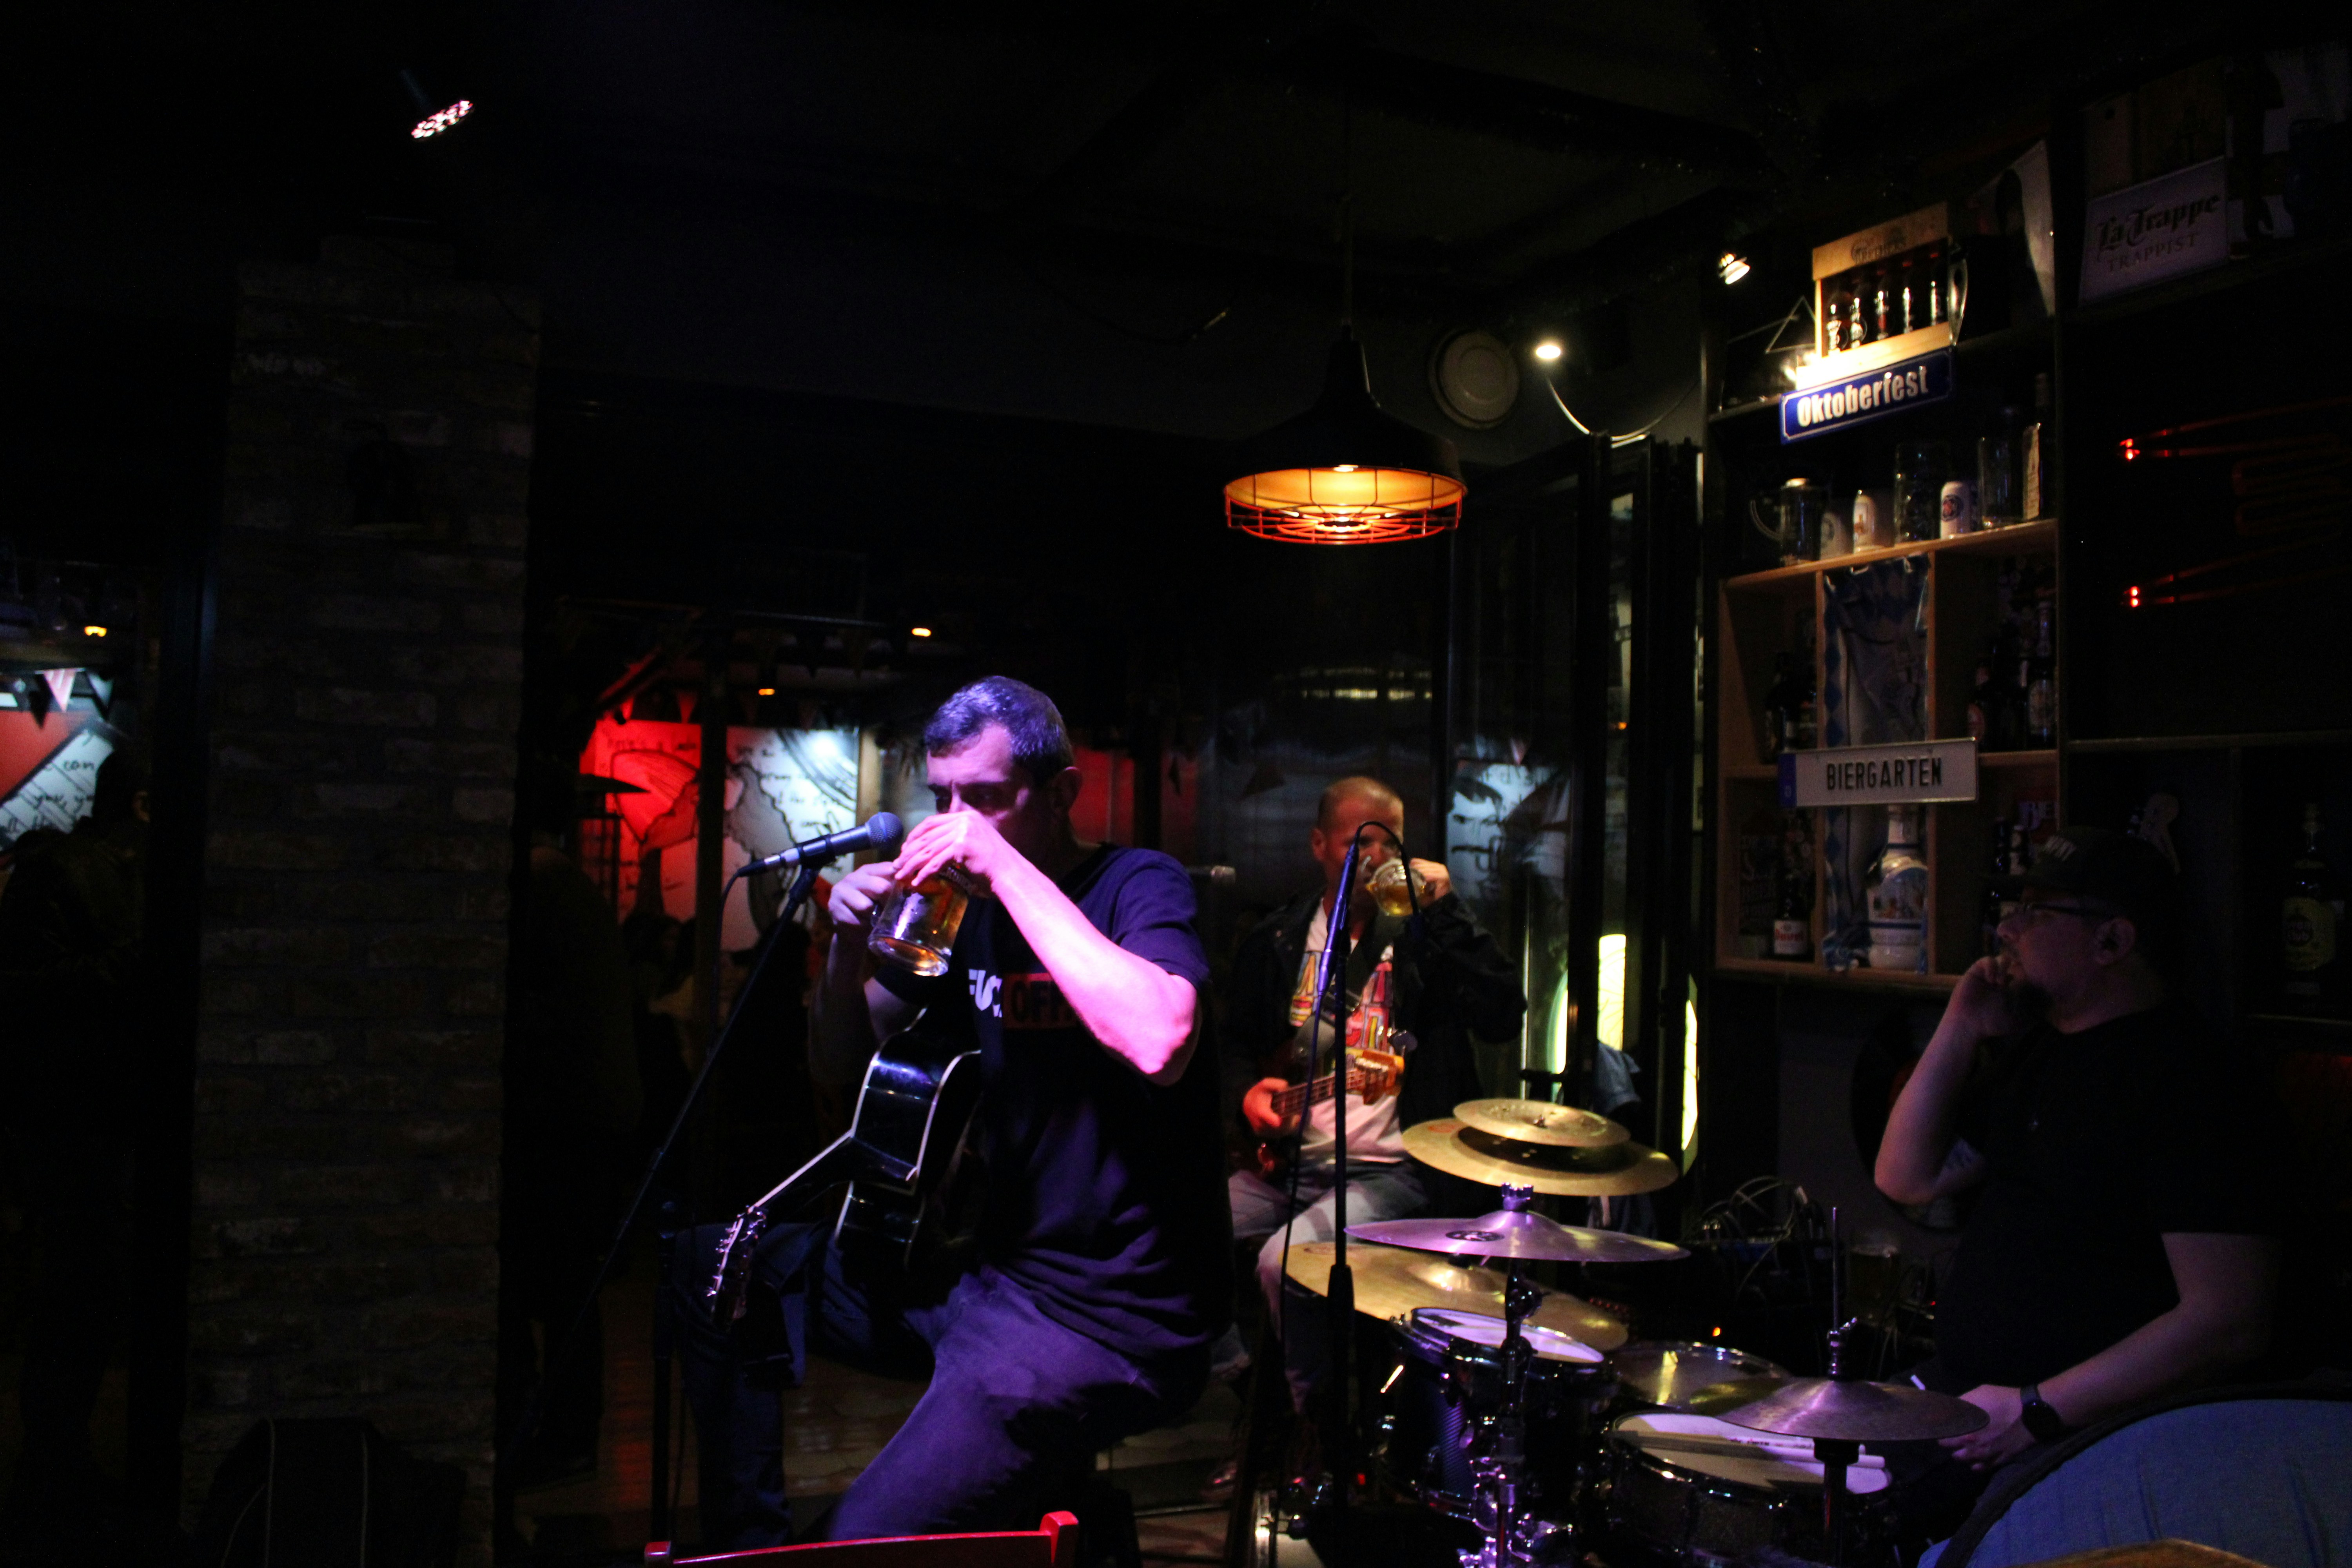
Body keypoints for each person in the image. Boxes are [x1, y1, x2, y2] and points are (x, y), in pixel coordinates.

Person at [674, 677, 1230, 1548]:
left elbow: (1160, 1036)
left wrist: (1004, 868)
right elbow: (846, 1064)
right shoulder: (960, 911)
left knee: (861, 1543)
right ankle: (749, 1543)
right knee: (719, 1265)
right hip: (986, 1274)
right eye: (943, 797)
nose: (956, 821)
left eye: (986, 798)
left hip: (1109, 1314)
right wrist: (846, 947)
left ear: (1061, 793)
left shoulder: (1134, 882)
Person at [1874, 825, 2281, 1506]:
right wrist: (1962, 1022)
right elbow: (1904, 1177)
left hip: (2084, 1440)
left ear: (2112, 942)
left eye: (2037, 913)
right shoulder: (2042, 1050)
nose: (2009, 931)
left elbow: (2229, 1317)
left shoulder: (2193, 1081)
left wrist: (2038, 1409)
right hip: (1978, 1402)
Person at [1220, 775, 1525, 1414]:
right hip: (1289, 1166)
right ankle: (1251, 1392)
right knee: (1170, 1234)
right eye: (1358, 844)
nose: (1375, 861)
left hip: (1389, 1173)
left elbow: (1504, 1013)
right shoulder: (1279, 939)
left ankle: (1317, 1428)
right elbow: (1232, 1045)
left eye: (1389, 847)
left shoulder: (1427, 945)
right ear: (1318, 845)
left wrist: (1445, 912)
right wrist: (1247, 1092)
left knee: (1284, 1264)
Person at [0, 745, 149, 1539]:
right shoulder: (103, 874)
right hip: (90, 1116)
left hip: (63, 1116)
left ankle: (54, 1467)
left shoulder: (57, 869)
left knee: (75, 1299)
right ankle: (54, 1471)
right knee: (82, 1298)